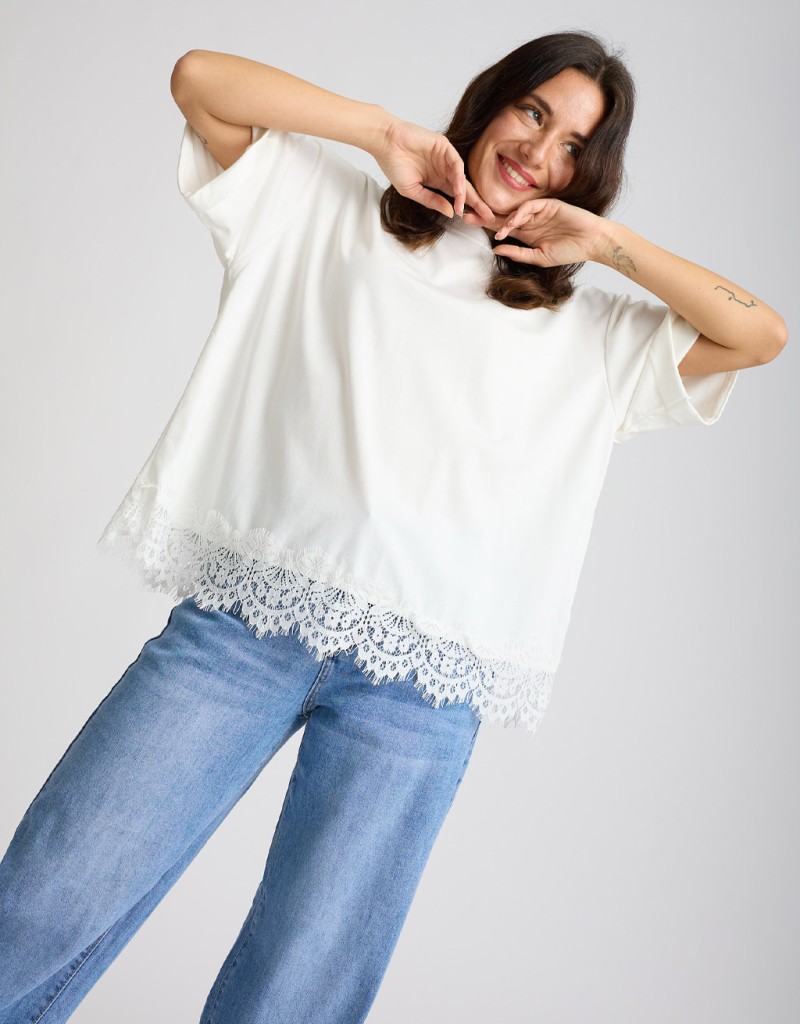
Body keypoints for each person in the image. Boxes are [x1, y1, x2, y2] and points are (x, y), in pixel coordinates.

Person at [0, 30, 786, 1024]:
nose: (539, 151)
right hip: (244, 632)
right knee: (46, 896)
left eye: (574, 147)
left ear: (589, 177)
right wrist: (379, 133)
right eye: (533, 112)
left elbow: (758, 333)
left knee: (299, 992)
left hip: (419, 695)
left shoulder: (596, 338)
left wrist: (606, 246)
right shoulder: (323, 210)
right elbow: (200, 80)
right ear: (492, 101)